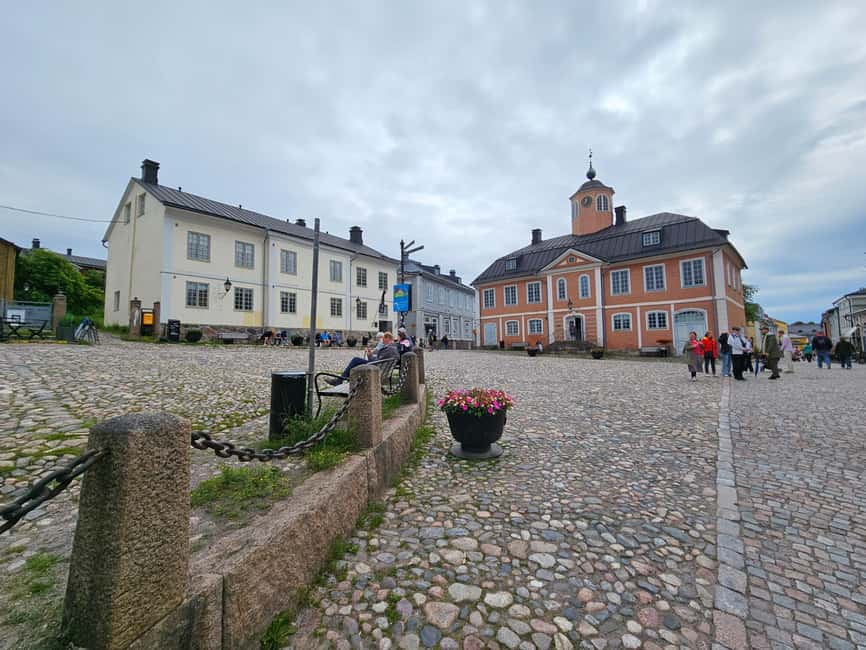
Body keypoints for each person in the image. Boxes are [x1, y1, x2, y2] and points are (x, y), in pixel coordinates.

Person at [328, 331, 399, 384]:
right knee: (356, 362)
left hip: (376, 368)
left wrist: (369, 355)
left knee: (355, 360)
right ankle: (344, 379)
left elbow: (377, 361)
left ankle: (340, 380)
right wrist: (371, 354)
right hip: (380, 367)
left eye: (384, 339)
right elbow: (380, 359)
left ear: (388, 338)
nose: (382, 341)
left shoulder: (389, 349)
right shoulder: (392, 348)